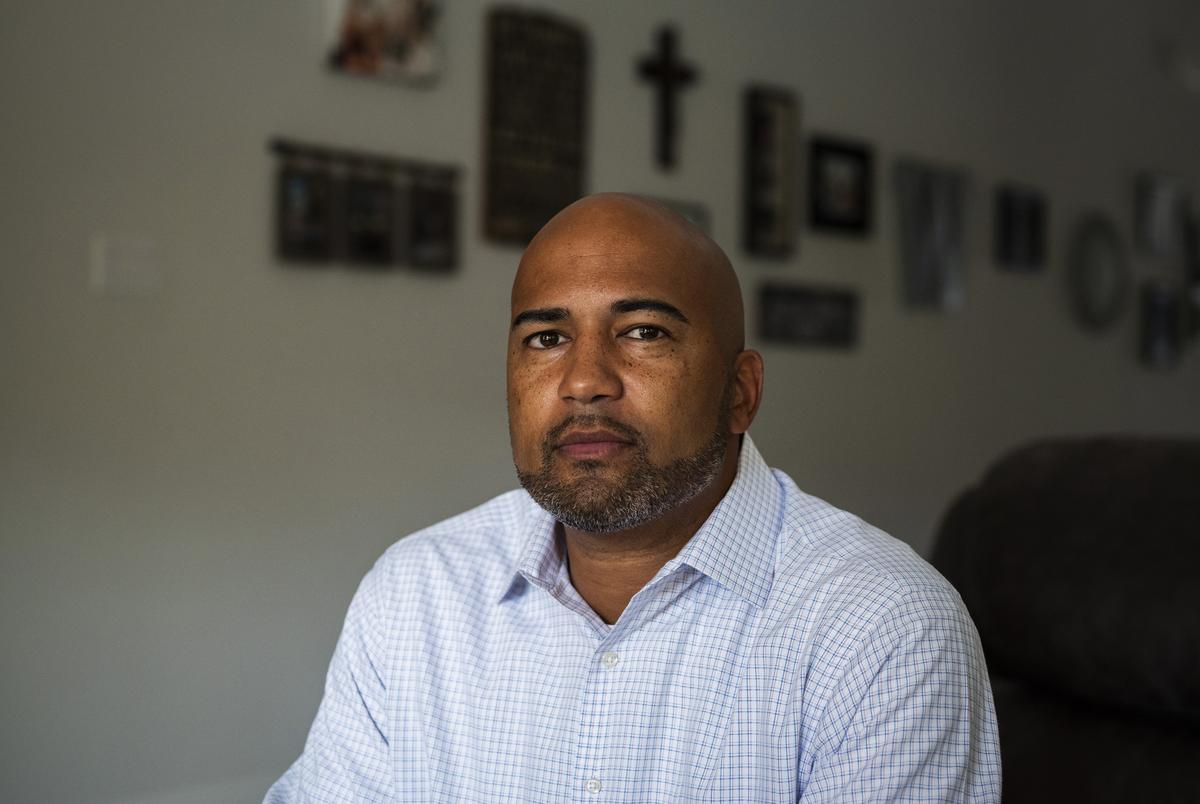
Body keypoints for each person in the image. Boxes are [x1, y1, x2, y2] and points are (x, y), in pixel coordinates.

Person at [265, 193, 1001, 802]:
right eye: (546, 339)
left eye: (643, 332)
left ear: (740, 392)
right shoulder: (416, 593)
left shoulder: (881, 627)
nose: (585, 380)